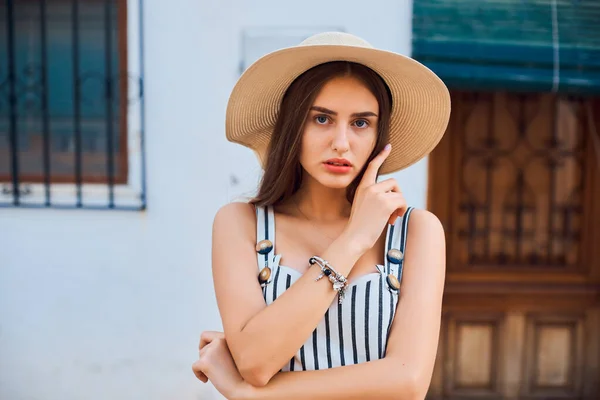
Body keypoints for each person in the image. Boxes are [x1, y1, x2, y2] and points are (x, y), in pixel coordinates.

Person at [192, 32, 450, 400]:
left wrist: (252, 396)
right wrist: (354, 239)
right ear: (293, 126)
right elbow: (255, 362)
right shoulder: (241, 224)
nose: (341, 142)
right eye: (322, 119)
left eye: (361, 123)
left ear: (380, 135)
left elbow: (407, 382)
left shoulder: (417, 232)